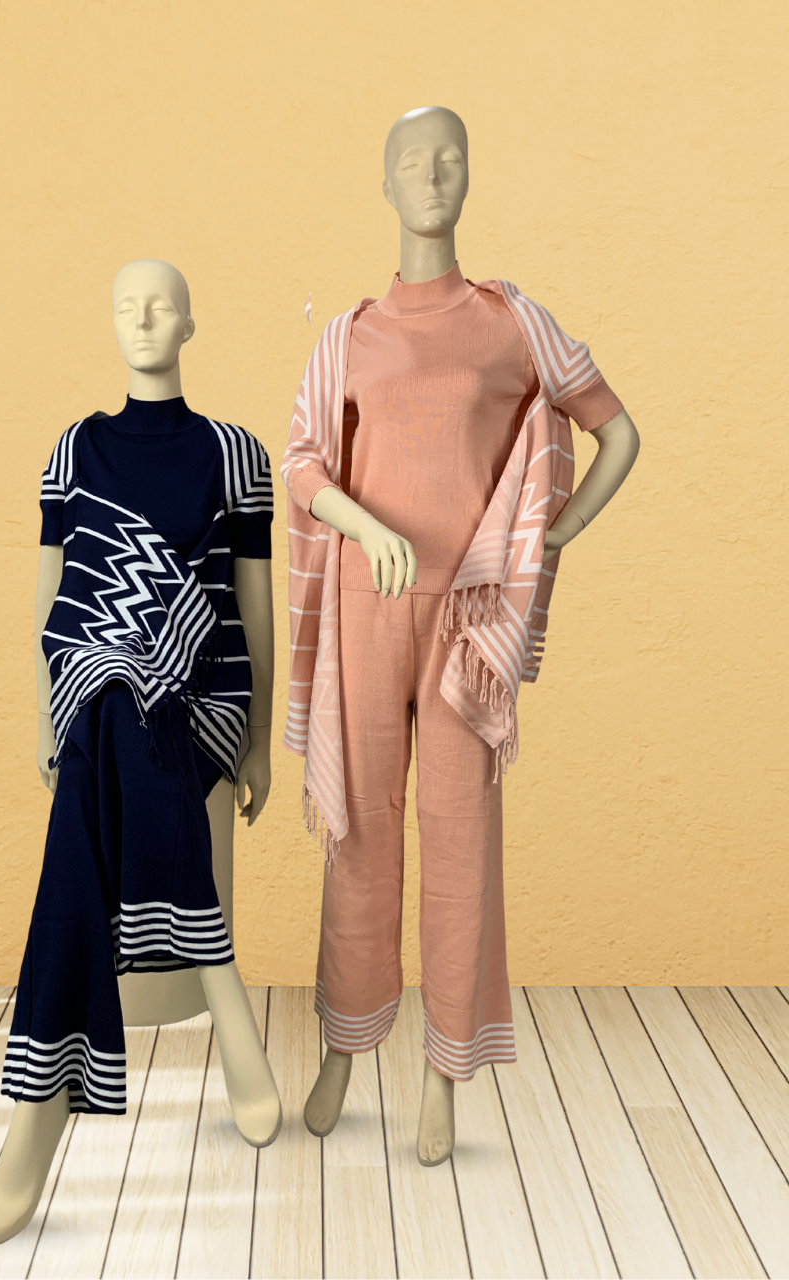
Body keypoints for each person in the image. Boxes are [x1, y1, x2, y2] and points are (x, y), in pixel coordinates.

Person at [282, 107, 640, 1166]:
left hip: (468, 625)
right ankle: (344, 1051)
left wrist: (559, 531)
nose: (431, 175)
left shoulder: (512, 323)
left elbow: (615, 430)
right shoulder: (348, 336)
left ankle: (444, 1073)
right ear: (385, 184)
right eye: (411, 161)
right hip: (364, 607)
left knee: (458, 840)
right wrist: (364, 527)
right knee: (359, 836)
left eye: (450, 159)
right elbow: (302, 462)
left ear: (471, 176)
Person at [0, 259, 281, 1247]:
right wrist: (43, 717)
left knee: (119, 714)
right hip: (99, 690)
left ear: (190, 323)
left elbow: (252, 603)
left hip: (203, 692)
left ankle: (38, 1112)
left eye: (161, 305)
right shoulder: (74, 449)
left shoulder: (235, 453)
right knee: (109, 696)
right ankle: (225, 995)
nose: (143, 318)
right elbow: (51, 597)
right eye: (125, 305)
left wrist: (259, 739)